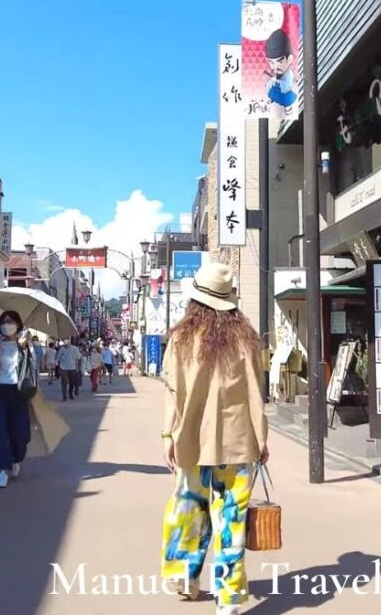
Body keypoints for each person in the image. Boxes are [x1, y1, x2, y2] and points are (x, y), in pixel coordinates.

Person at [159, 263, 269, 615]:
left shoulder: (181, 338)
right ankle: (229, 598)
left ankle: (185, 578)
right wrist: (262, 438)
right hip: (238, 442)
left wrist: (167, 434)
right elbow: (256, 391)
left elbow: (172, 391)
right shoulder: (245, 337)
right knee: (231, 519)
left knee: (190, 510)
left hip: (191, 439)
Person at [0, 312, 38, 488]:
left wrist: (26, 347)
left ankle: (16, 458)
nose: (6, 325)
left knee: (20, 435)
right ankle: (2, 471)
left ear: (18, 325)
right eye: (3, 322)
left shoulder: (26, 345)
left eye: (10, 322)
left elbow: (34, 368)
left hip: (19, 393)